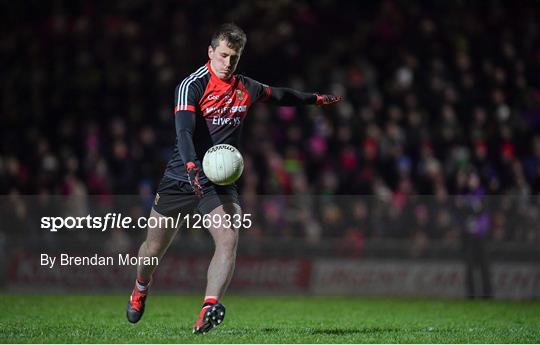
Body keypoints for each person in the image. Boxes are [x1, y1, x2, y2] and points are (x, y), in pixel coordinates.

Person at [125, 23, 342, 334]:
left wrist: (314, 99)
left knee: (229, 237)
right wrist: (190, 166)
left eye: (235, 58)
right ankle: (141, 287)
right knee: (152, 250)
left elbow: (279, 95)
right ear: (211, 52)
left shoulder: (245, 87)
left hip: (220, 180)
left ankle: (208, 307)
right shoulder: (191, 85)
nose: (228, 63)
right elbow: (183, 131)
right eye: (224, 55)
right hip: (181, 175)